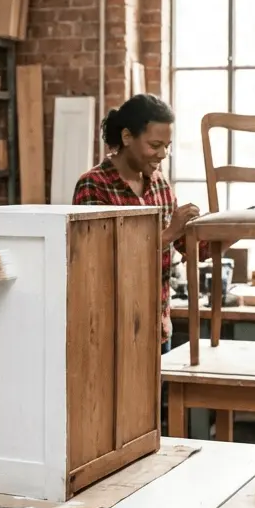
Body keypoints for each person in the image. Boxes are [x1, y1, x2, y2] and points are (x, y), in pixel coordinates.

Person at [71, 93, 208, 355]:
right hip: (111, 331)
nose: (163, 154)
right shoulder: (94, 185)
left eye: (167, 145)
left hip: (157, 328)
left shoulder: (160, 184)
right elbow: (100, 259)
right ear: (126, 137)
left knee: (159, 398)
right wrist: (168, 234)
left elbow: (189, 247)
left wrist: (224, 233)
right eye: (155, 145)